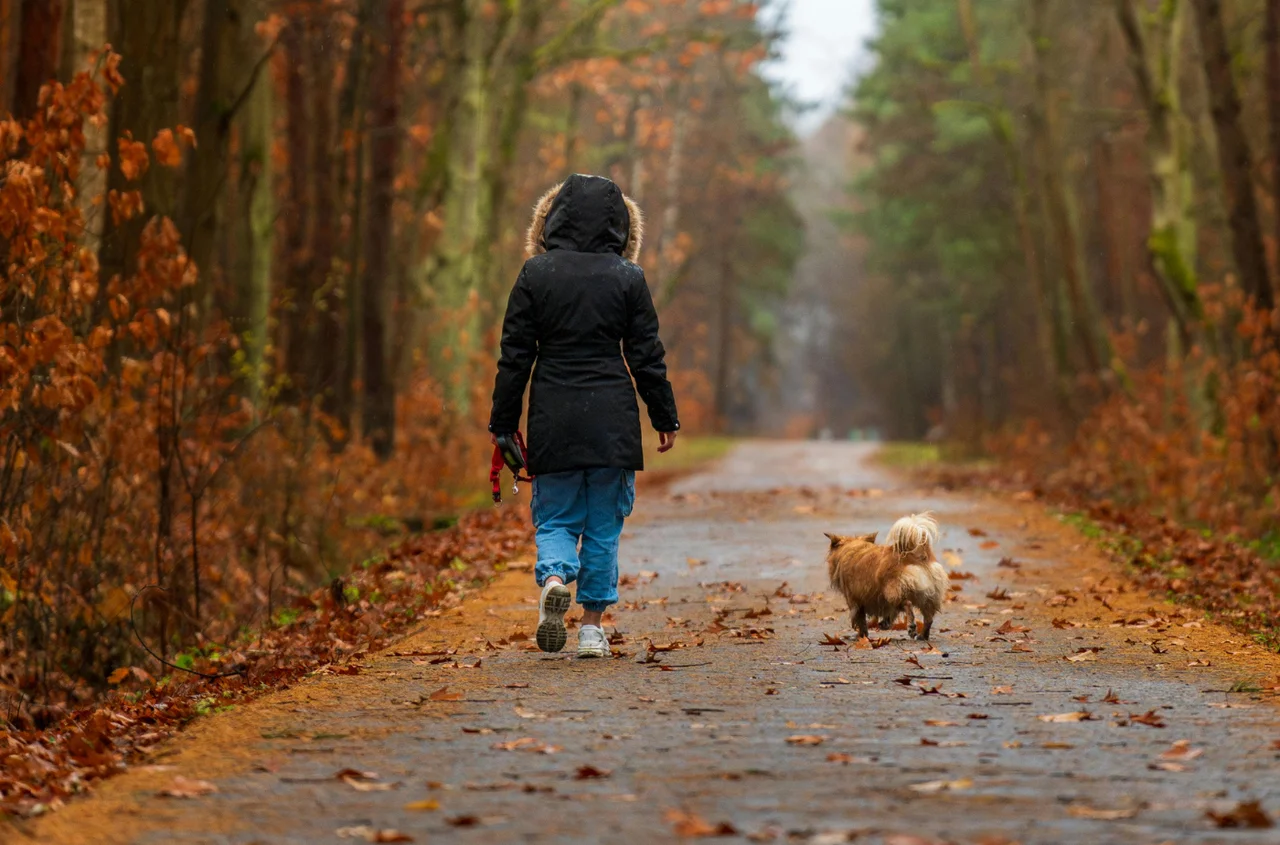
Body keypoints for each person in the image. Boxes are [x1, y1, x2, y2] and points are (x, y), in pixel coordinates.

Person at [489, 174, 680, 658]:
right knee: (602, 528)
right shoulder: (628, 277)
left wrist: (503, 424)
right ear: (621, 226)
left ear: (552, 220)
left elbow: (515, 356)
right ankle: (592, 629)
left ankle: (554, 579)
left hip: (553, 416)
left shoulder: (535, 274)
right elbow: (646, 354)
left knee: (555, 519)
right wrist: (664, 415)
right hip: (612, 420)